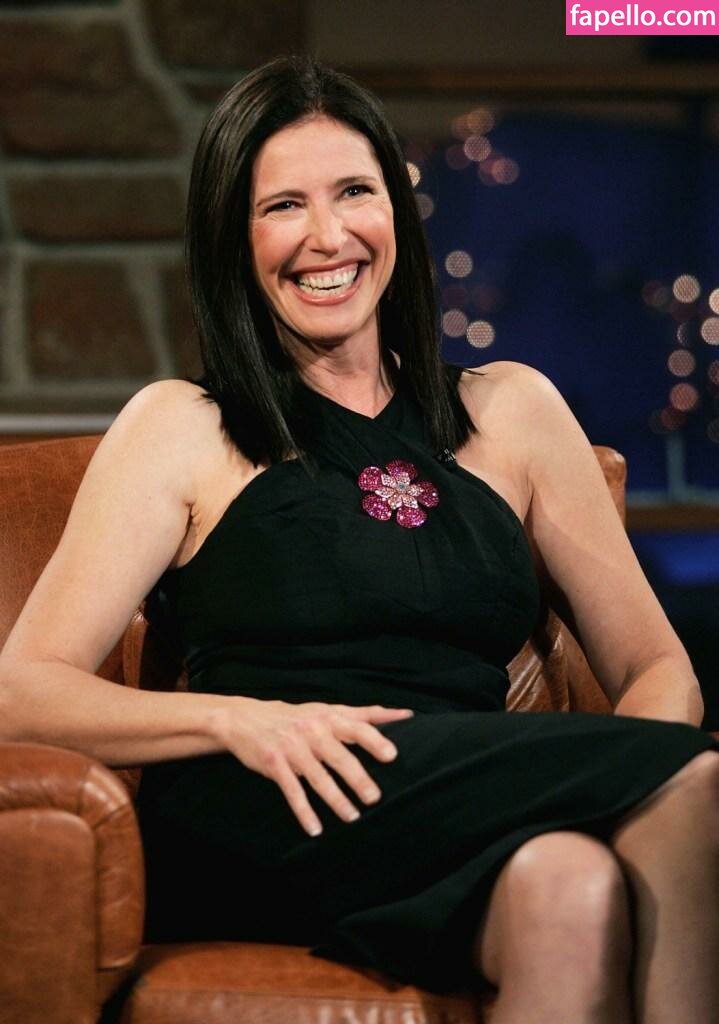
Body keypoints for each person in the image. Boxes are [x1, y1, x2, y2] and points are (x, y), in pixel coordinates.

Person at [0, 55, 717, 1024]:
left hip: (469, 806)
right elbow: (23, 691)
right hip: (272, 806)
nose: (327, 236)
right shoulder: (182, 427)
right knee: (692, 775)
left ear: (396, 211)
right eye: (282, 206)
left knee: (570, 885)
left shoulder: (511, 411)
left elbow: (656, 666)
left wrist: (599, 781)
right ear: (233, 238)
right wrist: (236, 720)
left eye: (352, 192)